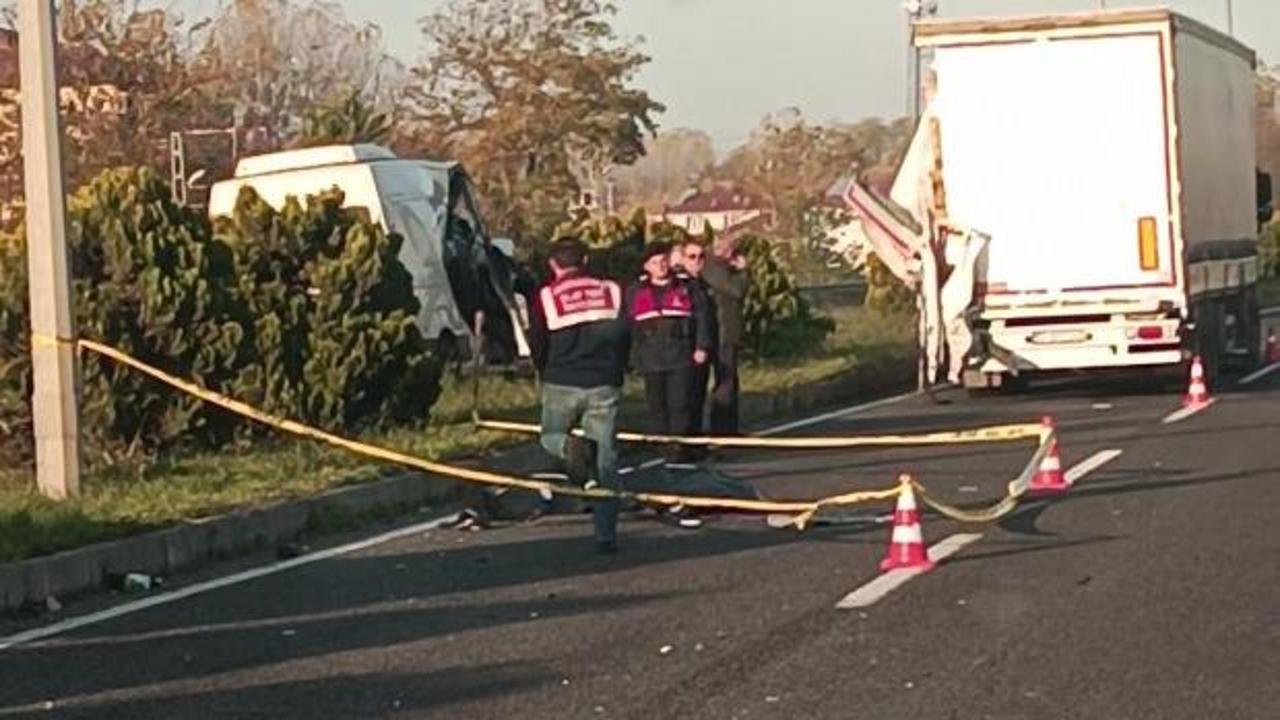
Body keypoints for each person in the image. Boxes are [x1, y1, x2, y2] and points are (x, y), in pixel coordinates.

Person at [528, 237, 629, 554]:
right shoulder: (611, 291)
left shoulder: (546, 296)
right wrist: (618, 369)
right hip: (604, 382)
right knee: (606, 460)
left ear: (553, 265)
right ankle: (605, 534)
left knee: (551, 434)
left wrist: (542, 370)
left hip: (561, 379)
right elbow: (624, 335)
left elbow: (538, 342)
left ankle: (567, 447)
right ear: (585, 259)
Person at [626, 241, 714, 528]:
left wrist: (702, 346)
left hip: (680, 357)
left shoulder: (686, 287)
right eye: (653, 262)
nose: (660, 266)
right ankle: (664, 452)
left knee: (681, 407)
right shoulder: (636, 291)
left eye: (662, 261)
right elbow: (628, 325)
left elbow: (703, 317)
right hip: (651, 359)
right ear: (646, 267)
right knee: (657, 410)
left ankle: (678, 453)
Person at [701, 235, 749, 436]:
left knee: (730, 380)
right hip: (721, 332)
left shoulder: (720, 268)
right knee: (725, 381)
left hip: (727, 331)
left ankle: (729, 427)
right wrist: (743, 271)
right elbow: (736, 290)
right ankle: (721, 429)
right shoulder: (713, 268)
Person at [671, 239, 716, 438]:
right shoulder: (681, 284)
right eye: (692, 257)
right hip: (684, 347)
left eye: (701, 256)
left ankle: (695, 439)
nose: (697, 261)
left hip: (701, 346)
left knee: (698, 395)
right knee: (685, 397)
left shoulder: (702, 283)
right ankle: (686, 439)